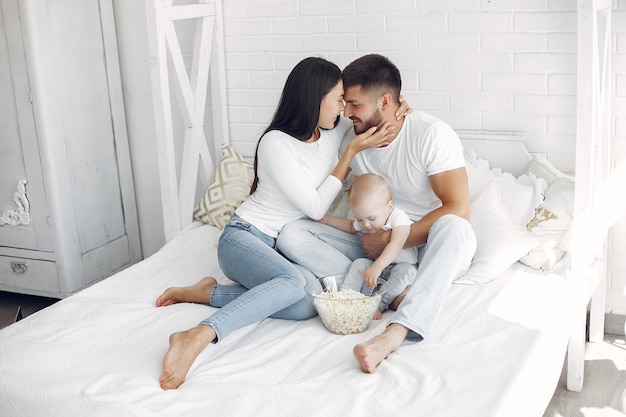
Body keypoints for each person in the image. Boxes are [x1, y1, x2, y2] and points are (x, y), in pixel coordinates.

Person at [154, 57, 409, 390]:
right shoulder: (275, 143)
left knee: (309, 303)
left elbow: (374, 115)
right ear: (315, 99)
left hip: (280, 247)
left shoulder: (333, 131)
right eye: (337, 99)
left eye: (347, 102)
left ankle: (210, 292)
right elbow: (315, 208)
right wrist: (348, 156)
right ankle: (198, 334)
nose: (344, 109)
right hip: (244, 238)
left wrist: (399, 106)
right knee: (291, 284)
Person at [276, 54, 477, 373]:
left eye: (354, 104)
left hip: (427, 245)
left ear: (385, 101)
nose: (345, 111)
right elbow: (307, 139)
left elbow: (458, 207)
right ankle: (388, 289)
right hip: (374, 243)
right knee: (291, 234)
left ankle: (398, 330)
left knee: (456, 227)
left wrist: (390, 242)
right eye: (344, 102)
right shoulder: (349, 138)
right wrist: (378, 242)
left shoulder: (430, 135)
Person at [320, 173, 417, 320]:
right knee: (359, 263)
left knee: (404, 271)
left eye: (371, 219)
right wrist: (327, 219)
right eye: (360, 219)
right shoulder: (366, 218)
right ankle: (347, 297)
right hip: (380, 268)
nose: (365, 225)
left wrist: (377, 267)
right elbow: (350, 226)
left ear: (389, 207)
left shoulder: (398, 217)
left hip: (402, 267)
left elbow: (396, 244)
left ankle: (379, 304)